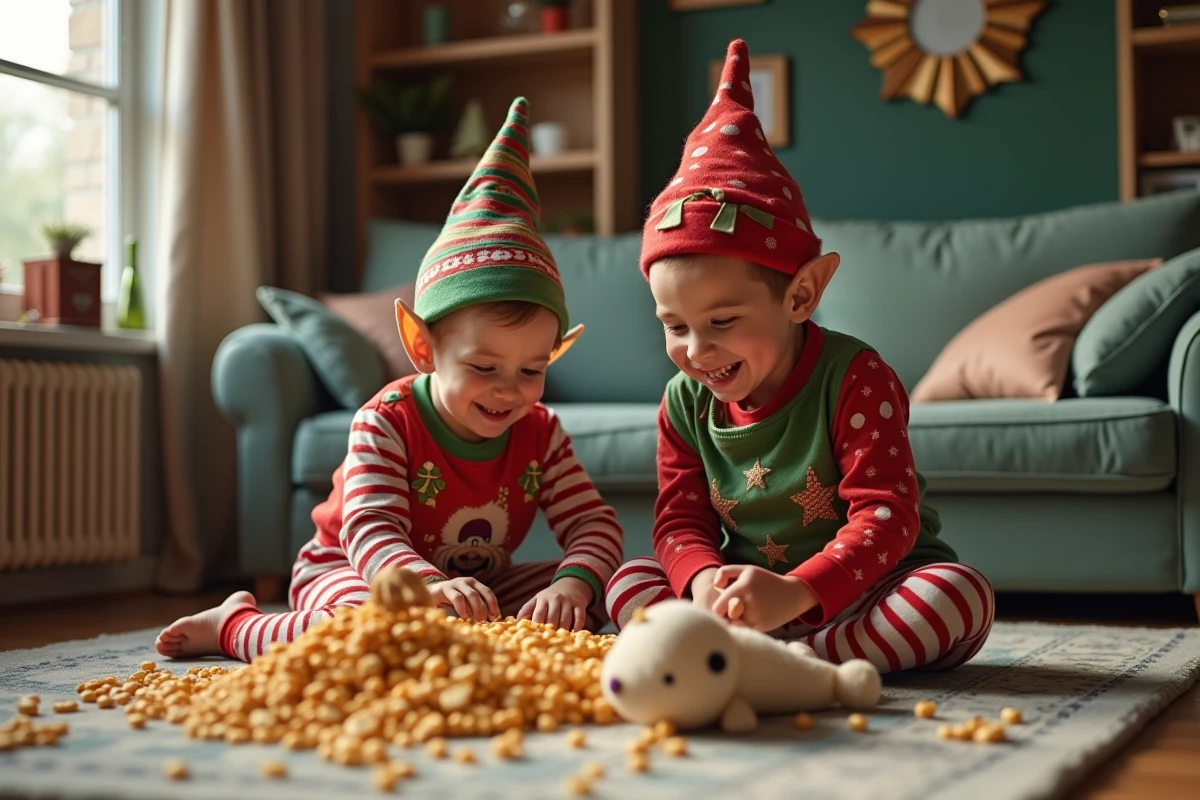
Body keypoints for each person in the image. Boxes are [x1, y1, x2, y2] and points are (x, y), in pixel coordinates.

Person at [157, 98, 623, 662]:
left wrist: (573, 586)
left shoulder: (541, 432)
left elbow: (592, 521)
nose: (510, 390)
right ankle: (235, 624)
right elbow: (370, 529)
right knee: (373, 632)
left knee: (624, 579)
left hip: (474, 590)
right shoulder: (387, 421)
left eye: (532, 370)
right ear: (424, 349)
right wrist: (425, 588)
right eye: (484, 368)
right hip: (357, 572)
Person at [604, 40, 992, 673]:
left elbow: (887, 516)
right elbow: (680, 522)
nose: (696, 351)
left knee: (956, 595)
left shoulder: (855, 378)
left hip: (868, 589)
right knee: (630, 581)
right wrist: (704, 583)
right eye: (674, 326)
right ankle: (754, 650)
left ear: (801, 294)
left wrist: (797, 594)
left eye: (723, 322)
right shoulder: (683, 401)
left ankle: (797, 658)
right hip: (745, 596)